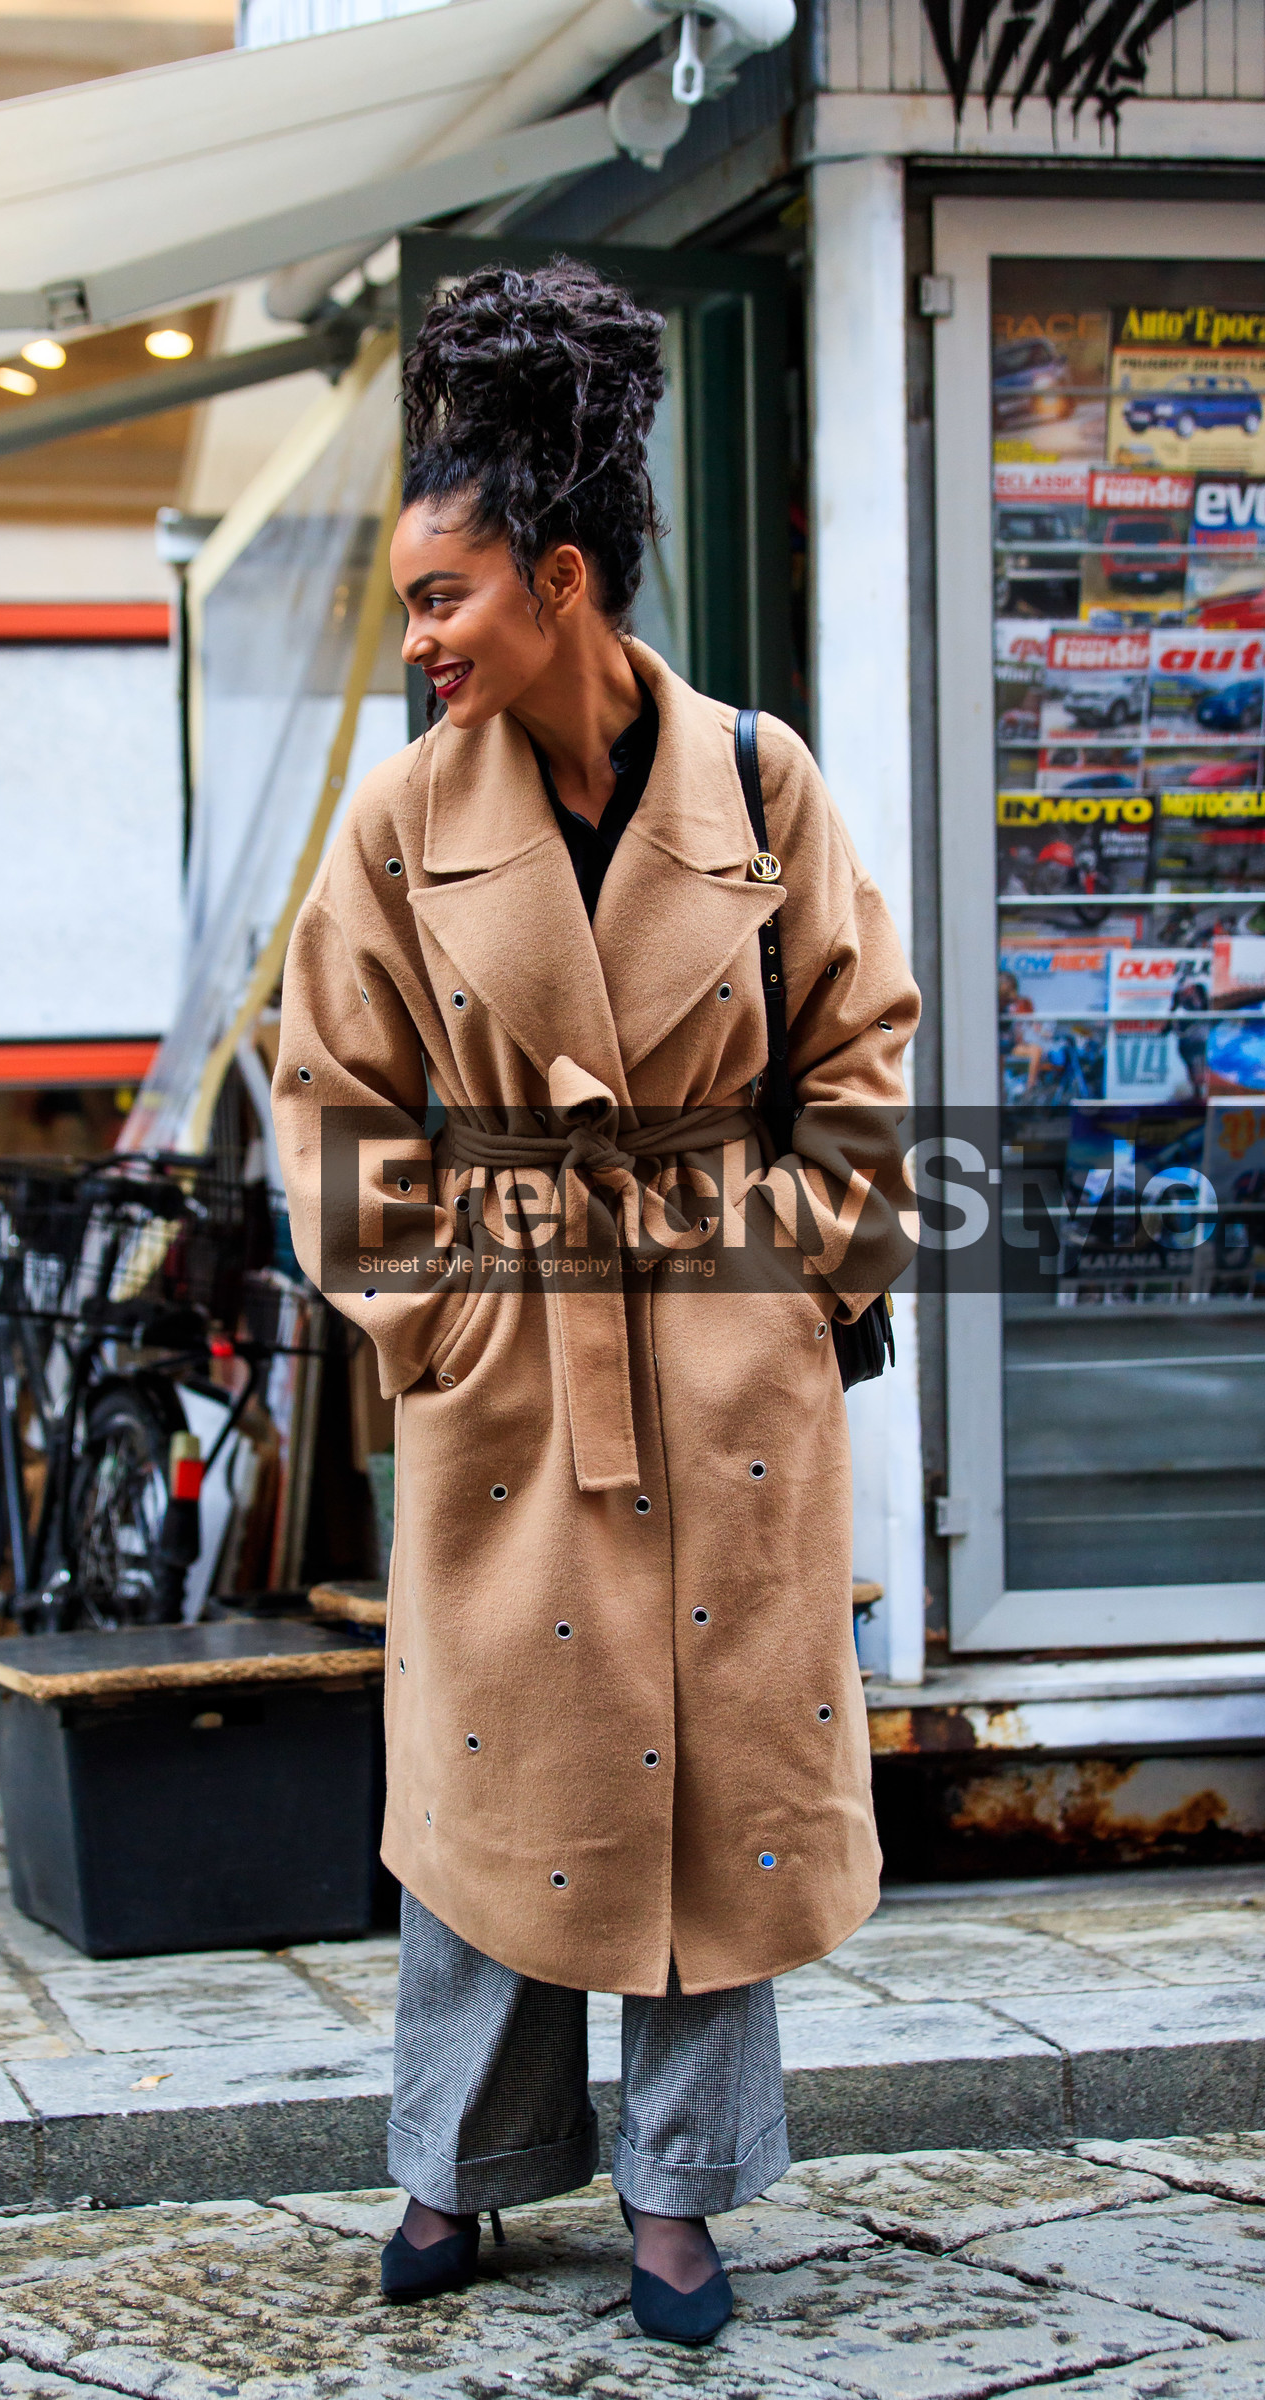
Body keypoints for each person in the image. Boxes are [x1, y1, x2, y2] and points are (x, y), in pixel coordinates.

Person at [272, 260, 919, 2346]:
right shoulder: (399, 820)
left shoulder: (758, 777)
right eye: (407, 603)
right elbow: (331, 1098)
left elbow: (863, 1043)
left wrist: (794, 1272)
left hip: (726, 1363)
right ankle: (457, 2167)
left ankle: (679, 2194)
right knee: (494, 1765)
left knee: (715, 1779)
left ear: (557, 581)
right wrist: (445, 1322)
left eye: (443, 595)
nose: (419, 638)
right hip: (511, 1366)